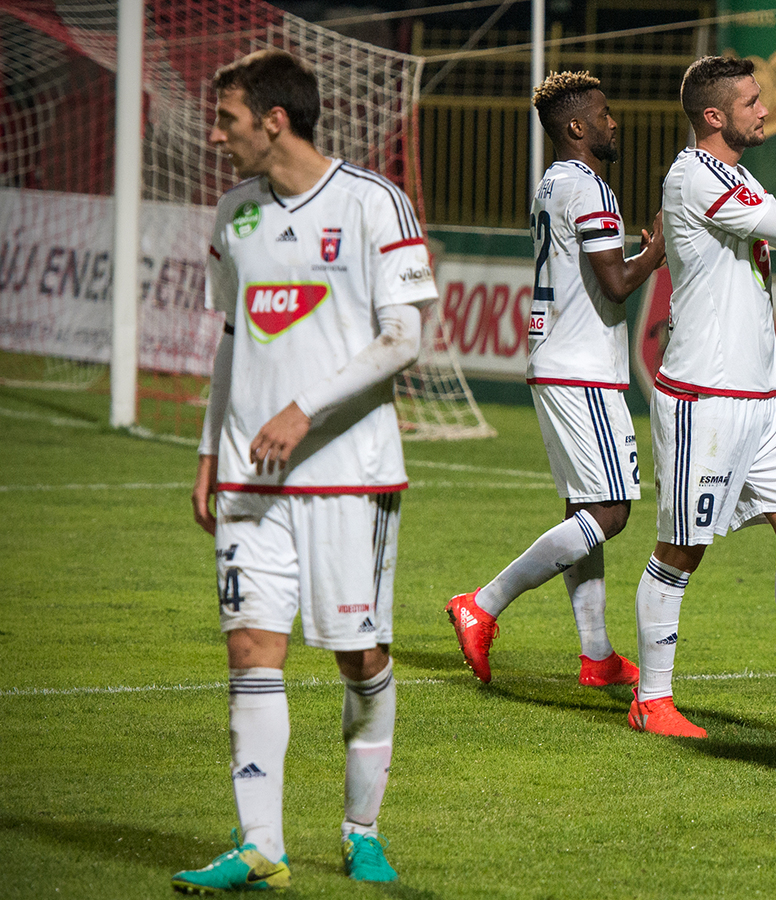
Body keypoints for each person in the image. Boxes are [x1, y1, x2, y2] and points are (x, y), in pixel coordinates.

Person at [175, 49, 437, 892]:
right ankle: (261, 846)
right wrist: (210, 452)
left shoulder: (373, 203)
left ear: (275, 120)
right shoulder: (234, 214)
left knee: (360, 658)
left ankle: (362, 829)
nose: (218, 136)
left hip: (349, 475)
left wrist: (302, 411)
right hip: (251, 477)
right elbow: (231, 341)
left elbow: (405, 338)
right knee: (251, 648)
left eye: (228, 119)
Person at [626, 55, 776, 738]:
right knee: (682, 549)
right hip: (705, 399)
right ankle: (651, 699)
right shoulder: (693, 176)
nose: (766, 110)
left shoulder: (734, 174)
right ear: (714, 116)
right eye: (751, 101)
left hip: (764, 399)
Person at [447, 72, 664, 687]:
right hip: (581, 368)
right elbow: (615, 283)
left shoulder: (551, 183)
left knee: (584, 510)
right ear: (576, 127)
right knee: (611, 512)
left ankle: (597, 655)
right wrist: (657, 251)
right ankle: (482, 604)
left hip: (557, 359)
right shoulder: (589, 188)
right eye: (603, 113)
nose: (613, 122)